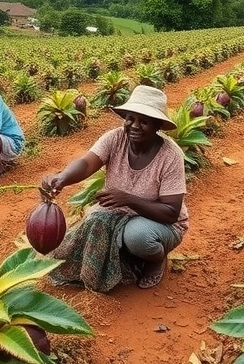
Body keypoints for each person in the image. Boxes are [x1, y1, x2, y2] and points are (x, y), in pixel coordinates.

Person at [41, 85, 188, 292]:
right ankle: (124, 259)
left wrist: (129, 199)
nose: (134, 126)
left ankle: (156, 259)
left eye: (144, 121)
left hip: (161, 224)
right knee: (93, 220)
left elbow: (171, 213)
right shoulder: (115, 138)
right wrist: (62, 177)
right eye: (130, 118)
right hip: (119, 212)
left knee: (137, 237)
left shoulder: (170, 156)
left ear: (157, 126)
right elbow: (86, 163)